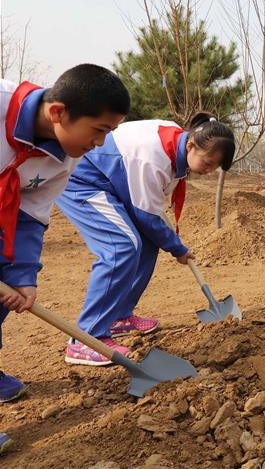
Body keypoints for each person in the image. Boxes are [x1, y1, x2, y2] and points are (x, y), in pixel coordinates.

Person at [0, 65, 129, 453]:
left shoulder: (66, 156)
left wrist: (23, 275)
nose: (101, 144)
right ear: (58, 112)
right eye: (99, 130)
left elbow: (31, 212)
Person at [56, 113, 235, 366]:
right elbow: (146, 216)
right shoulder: (153, 158)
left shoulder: (176, 143)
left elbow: (149, 213)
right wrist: (177, 247)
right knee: (121, 247)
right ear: (191, 145)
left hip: (113, 184)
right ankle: (87, 338)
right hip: (83, 179)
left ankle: (118, 317)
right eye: (207, 163)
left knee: (149, 242)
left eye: (214, 167)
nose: (208, 171)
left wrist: (168, 241)